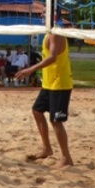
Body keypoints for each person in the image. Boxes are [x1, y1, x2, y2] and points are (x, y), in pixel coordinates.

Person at [15, 24, 74, 169]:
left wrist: (31, 69)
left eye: (44, 13)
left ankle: (66, 158)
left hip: (60, 83)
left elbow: (53, 57)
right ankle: (47, 148)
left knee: (56, 121)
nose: (42, 16)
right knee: (37, 111)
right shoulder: (49, 33)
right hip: (49, 83)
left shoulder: (56, 34)